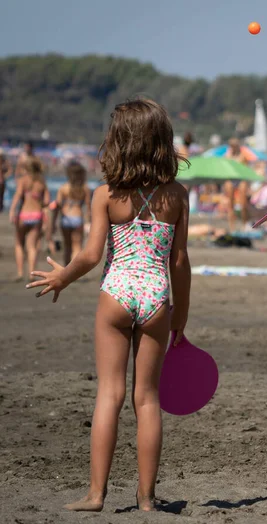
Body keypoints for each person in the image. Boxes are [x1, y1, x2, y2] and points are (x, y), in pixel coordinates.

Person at [26, 98, 191, 512]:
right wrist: (180, 316)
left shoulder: (107, 195)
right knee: (147, 398)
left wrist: (62, 275)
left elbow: (90, 255)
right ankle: (148, 499)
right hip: (156, 297)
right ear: (162, 142)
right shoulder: (177, 195)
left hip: (116, 294)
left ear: (117, 142)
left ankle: (96, 495)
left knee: (108, 395)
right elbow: (180, 262)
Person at [9, 157, 50, 281]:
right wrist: (38, 200)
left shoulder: (23, 180)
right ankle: (32, 273)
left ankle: (20, 273)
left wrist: (12, 211)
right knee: (31, 246)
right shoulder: (42, 182)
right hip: (36, 216)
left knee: (19, 243)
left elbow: (17, 196)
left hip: (24, 215)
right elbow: (47, 201)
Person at [50, 162, 92, 265]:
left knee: (67, 246)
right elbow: (88, 208)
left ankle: (66, 269)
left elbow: (57, 206)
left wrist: (53, 222)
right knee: (77, 246)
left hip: (65, 219)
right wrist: (88, 222)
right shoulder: (85, 188)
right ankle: (74, 270)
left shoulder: (64, 188)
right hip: (77, 218)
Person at [223, 138, 252, 231]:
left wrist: (248, 185)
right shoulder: (227, 156)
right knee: (230, 204)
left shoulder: (242, 156)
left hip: (240, 178)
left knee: (243, 204)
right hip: (230, 178)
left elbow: (246, 170)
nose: (233, 148)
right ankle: (232, 227)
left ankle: (244, 224)